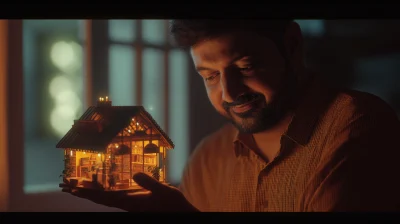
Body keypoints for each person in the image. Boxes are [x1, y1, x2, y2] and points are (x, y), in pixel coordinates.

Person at [66, 19, 400, 212]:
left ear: (292, 45)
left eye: (245, 67)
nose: (228, 93)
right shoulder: (208, 160)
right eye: (209, 76)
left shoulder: (358, 130)